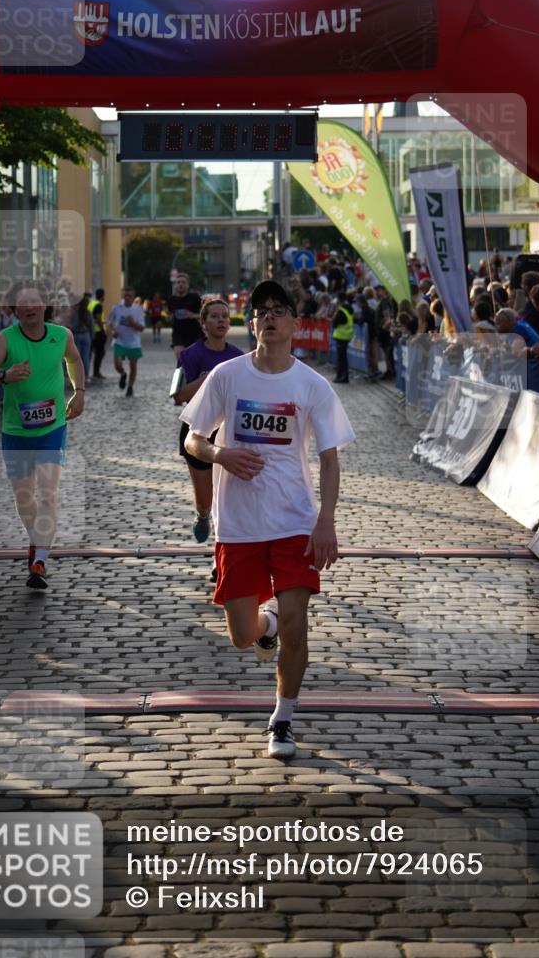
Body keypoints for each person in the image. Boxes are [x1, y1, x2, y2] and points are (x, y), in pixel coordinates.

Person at [182, 280, 355, 760]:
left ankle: (282, 720)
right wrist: (221, 453)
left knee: (299, 625)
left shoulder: (312, 385)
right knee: (241, 636)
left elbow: (330, 459)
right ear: (252, 323)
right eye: (263, 311)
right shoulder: (228, 376)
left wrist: (327, 521)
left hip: (294, 521)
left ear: (296, 323)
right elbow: (192, 440)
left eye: (281, 310)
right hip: (238, 522)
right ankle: (268, 621)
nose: (271, 318)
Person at [0, 283, 85, 589]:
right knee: (25, 498)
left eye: (35, 303)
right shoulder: (5, 340)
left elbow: (73, 360)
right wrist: (4, 376)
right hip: (16, 430)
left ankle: (40, 560)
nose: (31, 309)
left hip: (53, 427)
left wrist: (80, 392)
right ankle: (37, 542)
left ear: (44, 306)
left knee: (48, 493)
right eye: (24, 305)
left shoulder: (61, 335)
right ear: (15, 311)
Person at [174, 299, 243, 544]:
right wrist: (209, 379)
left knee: (227, 499)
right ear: (203, 323)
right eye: (214, 316)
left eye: (225, 316)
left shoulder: (238, 358)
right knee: (206, 499)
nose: (221, 320)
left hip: (230, 431)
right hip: (198, 431)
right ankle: (202, 515)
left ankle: (220, 553)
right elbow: (178, 396)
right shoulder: (189, 355)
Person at [108, 287, 144, 397]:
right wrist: (113, 331)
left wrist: (133, 323)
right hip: (120, 341)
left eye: (130, 296)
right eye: (125, 295)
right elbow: (110, 322)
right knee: (117, 364)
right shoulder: (116, 308)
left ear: (134, 297)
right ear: (123, 296)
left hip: (133, 342)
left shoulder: (138, 309)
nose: (127, 298)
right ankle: (123, 374)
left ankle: (130, 387)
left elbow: (141, 328)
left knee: (133, 365)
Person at [167, 272, 203, 360]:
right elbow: (169, 317)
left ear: (187, 285)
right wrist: (169, 318)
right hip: (178, 334)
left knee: (194, 361)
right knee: (181, 360)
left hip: (195, 334)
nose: (180, 284)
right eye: (178, 282)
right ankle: (182, 373)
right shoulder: (171, 300)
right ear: (175, 285)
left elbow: (205, 314)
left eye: (183, 282)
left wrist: (193, 315)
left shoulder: (195, 297)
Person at [68, 293, 94, 380]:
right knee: (86, 356)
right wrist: (92, 336)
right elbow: (91, 326)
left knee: (76, 357)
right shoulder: (88, 313)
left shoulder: (73, 313)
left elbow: (70, 325)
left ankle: (76, 376)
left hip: (76, 335)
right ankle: (86, 375)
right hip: (86, 335)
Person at [331, 289, 353, 383]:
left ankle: (342, 377)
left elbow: (334, 323)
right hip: (347, 337)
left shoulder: (341, 311)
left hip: (341, 337)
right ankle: (343, 376)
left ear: (339, 299)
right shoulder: (349, 308)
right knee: (343, 358)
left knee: (341, 359)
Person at [88, 288, 107, 378]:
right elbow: (98, 319)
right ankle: (96, 372)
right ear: (102, 296)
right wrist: (103, 330)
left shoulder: (91, 303)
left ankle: (87, 371)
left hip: (90, 331)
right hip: (98, 332)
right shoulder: (98, 305)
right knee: (100, 353)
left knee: (90, 353)